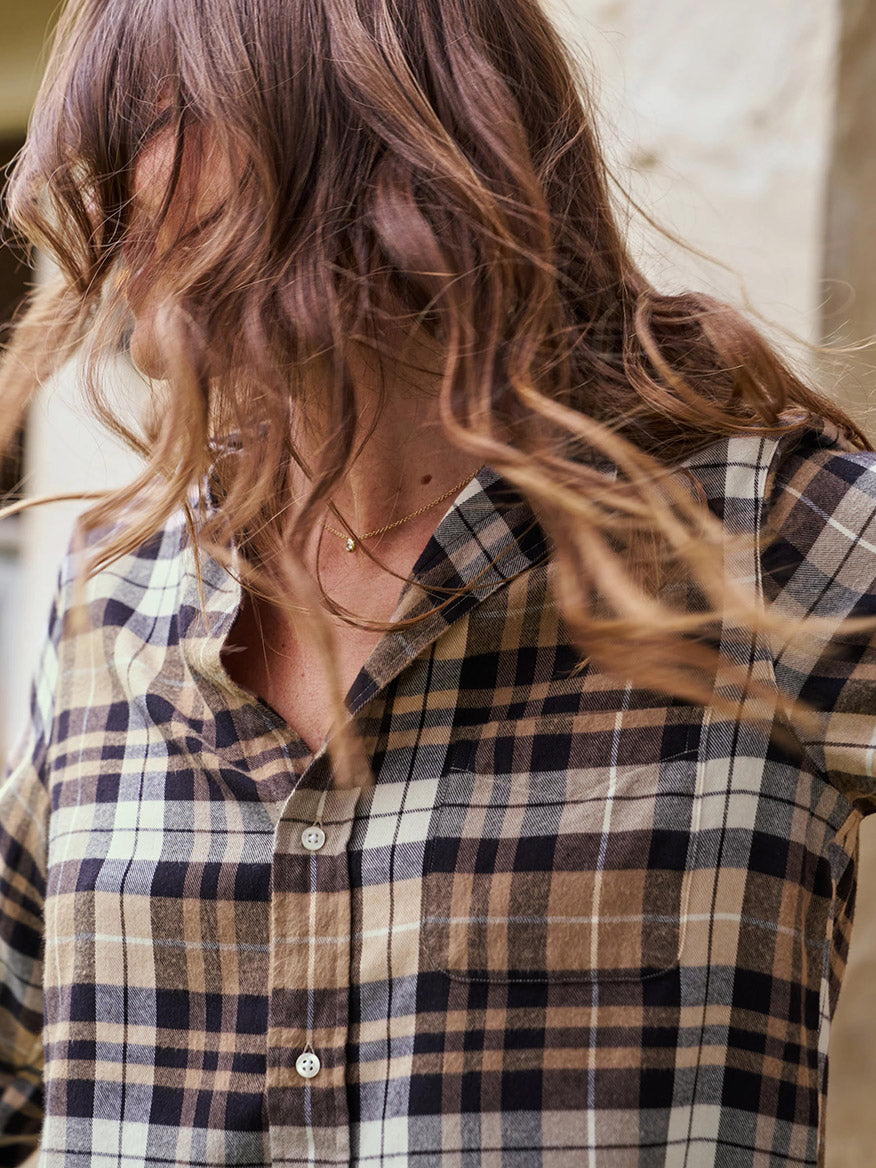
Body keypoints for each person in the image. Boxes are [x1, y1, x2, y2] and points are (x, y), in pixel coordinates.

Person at [0, 1, 874, 1165]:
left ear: (380, 140)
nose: (101, 188)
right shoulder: (116, 591)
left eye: (153, 121)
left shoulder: (778, 542)